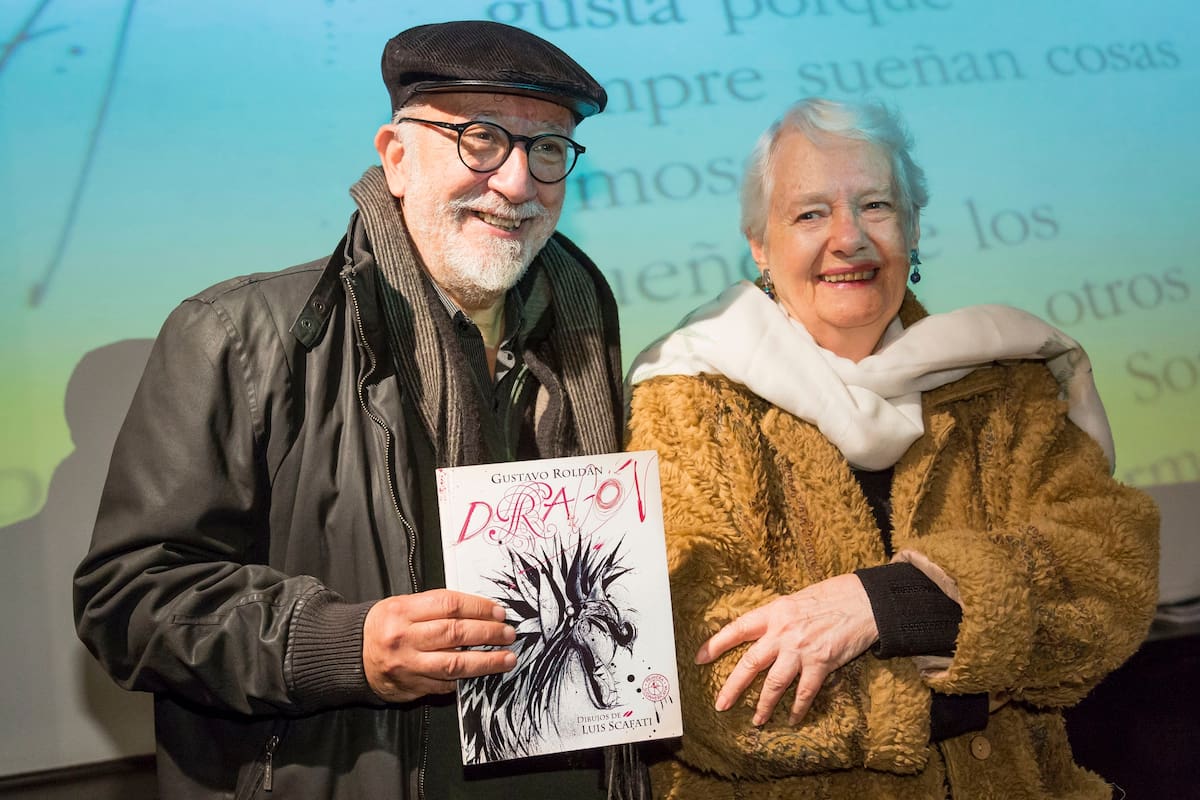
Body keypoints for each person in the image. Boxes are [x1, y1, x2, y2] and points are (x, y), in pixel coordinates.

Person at [73, 20, 637, 800]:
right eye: (481, 139)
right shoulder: (239, 335)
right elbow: (128, 599)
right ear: (396, 157)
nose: (516, 181)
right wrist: (342, 645)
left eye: (547, 151)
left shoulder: (580, 325)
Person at [625, 97, 1159, 798]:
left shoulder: (1006, 378)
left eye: (876, 205)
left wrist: (886, 603)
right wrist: (964, 695)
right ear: (759, 243)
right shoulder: (688, 395)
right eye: (810, 213)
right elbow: (703, 680)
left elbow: (1108, 575)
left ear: (912, 226)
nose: (849, 239)